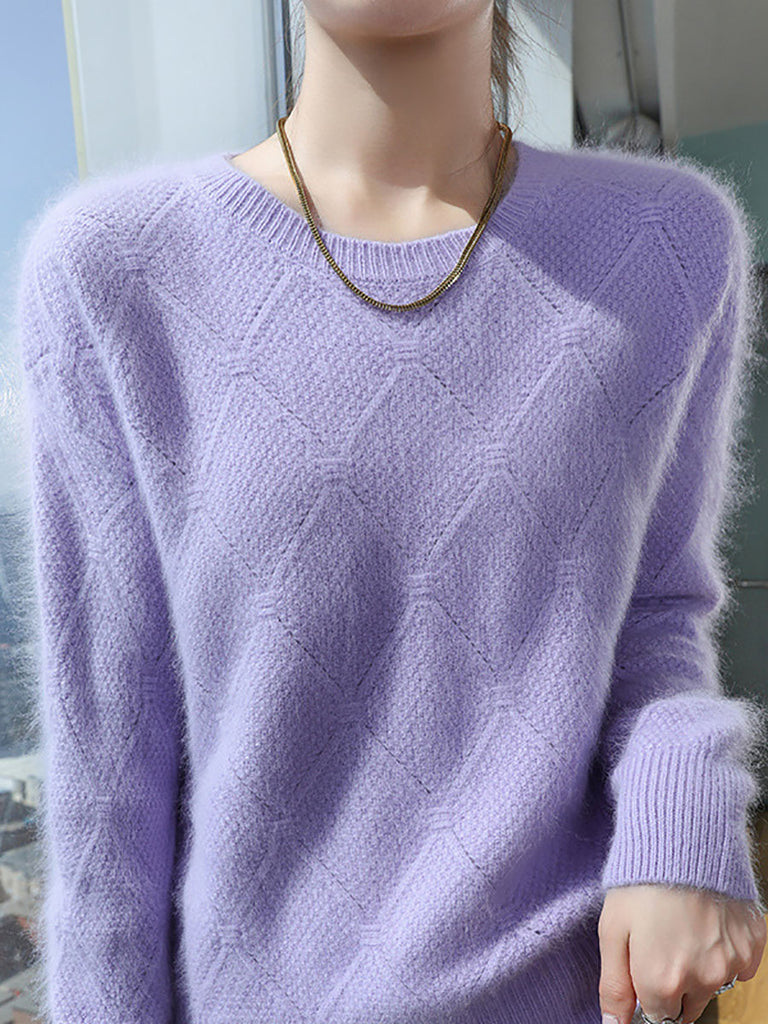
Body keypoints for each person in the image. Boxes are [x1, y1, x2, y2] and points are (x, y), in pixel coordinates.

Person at [12, 2, 768, 1023]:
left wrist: (682, 806)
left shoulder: (669, 242)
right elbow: (108, 781)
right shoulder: (111, 269)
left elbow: (657, 610)